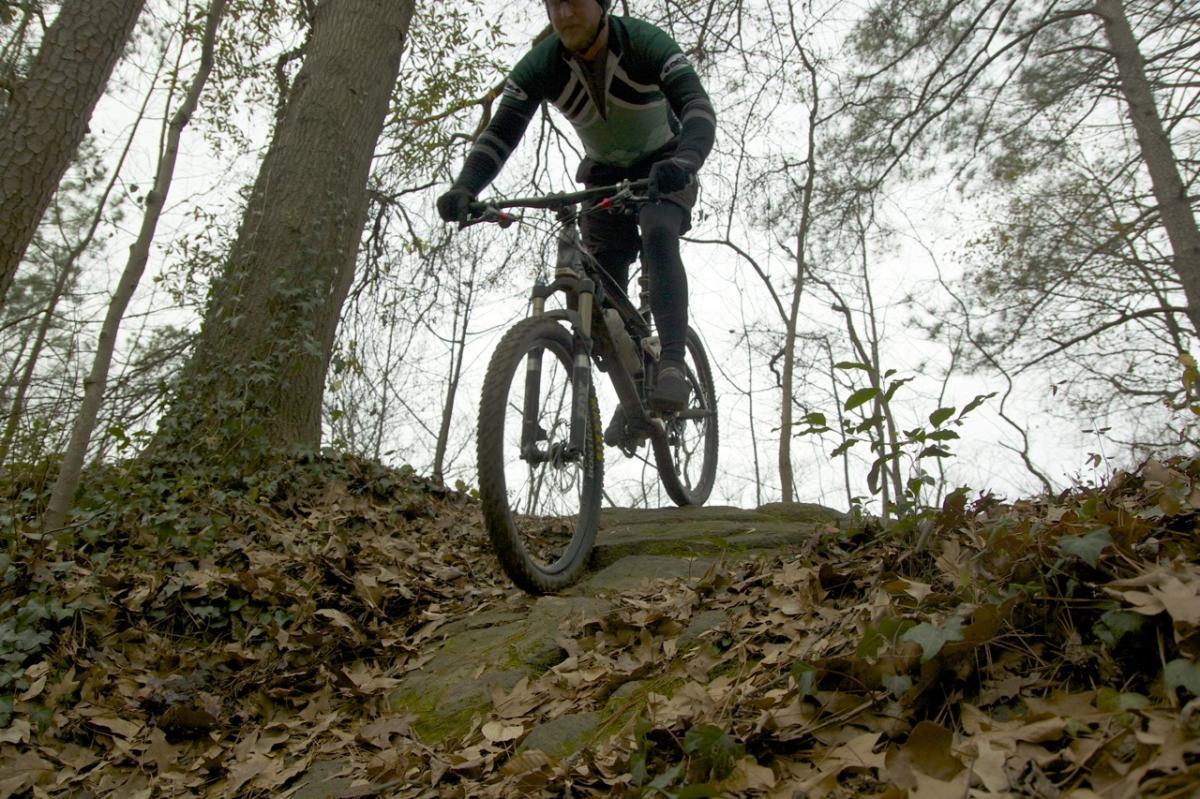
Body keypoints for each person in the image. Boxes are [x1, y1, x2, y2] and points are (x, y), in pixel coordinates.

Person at [436, 0, 716, 422]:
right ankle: (636, 390)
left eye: (573, 1)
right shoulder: (542, 64)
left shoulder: (642, 43)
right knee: (603, 293)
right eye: (553, 3)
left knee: (658, 231)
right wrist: (466, 187)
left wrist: (685, 162)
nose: (563, 14)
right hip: (604, 177)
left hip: (665, 166)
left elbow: (697, 108)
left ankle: (673, 362)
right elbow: (501, 133)